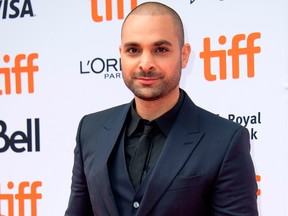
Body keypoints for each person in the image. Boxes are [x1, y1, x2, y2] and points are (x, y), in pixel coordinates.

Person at [65, 2, 258, 215]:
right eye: (133, 50)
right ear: (121, 54)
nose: (145, 63)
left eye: (160, 50)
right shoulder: (90, 130)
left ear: (184, 55)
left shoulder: (225, 141)